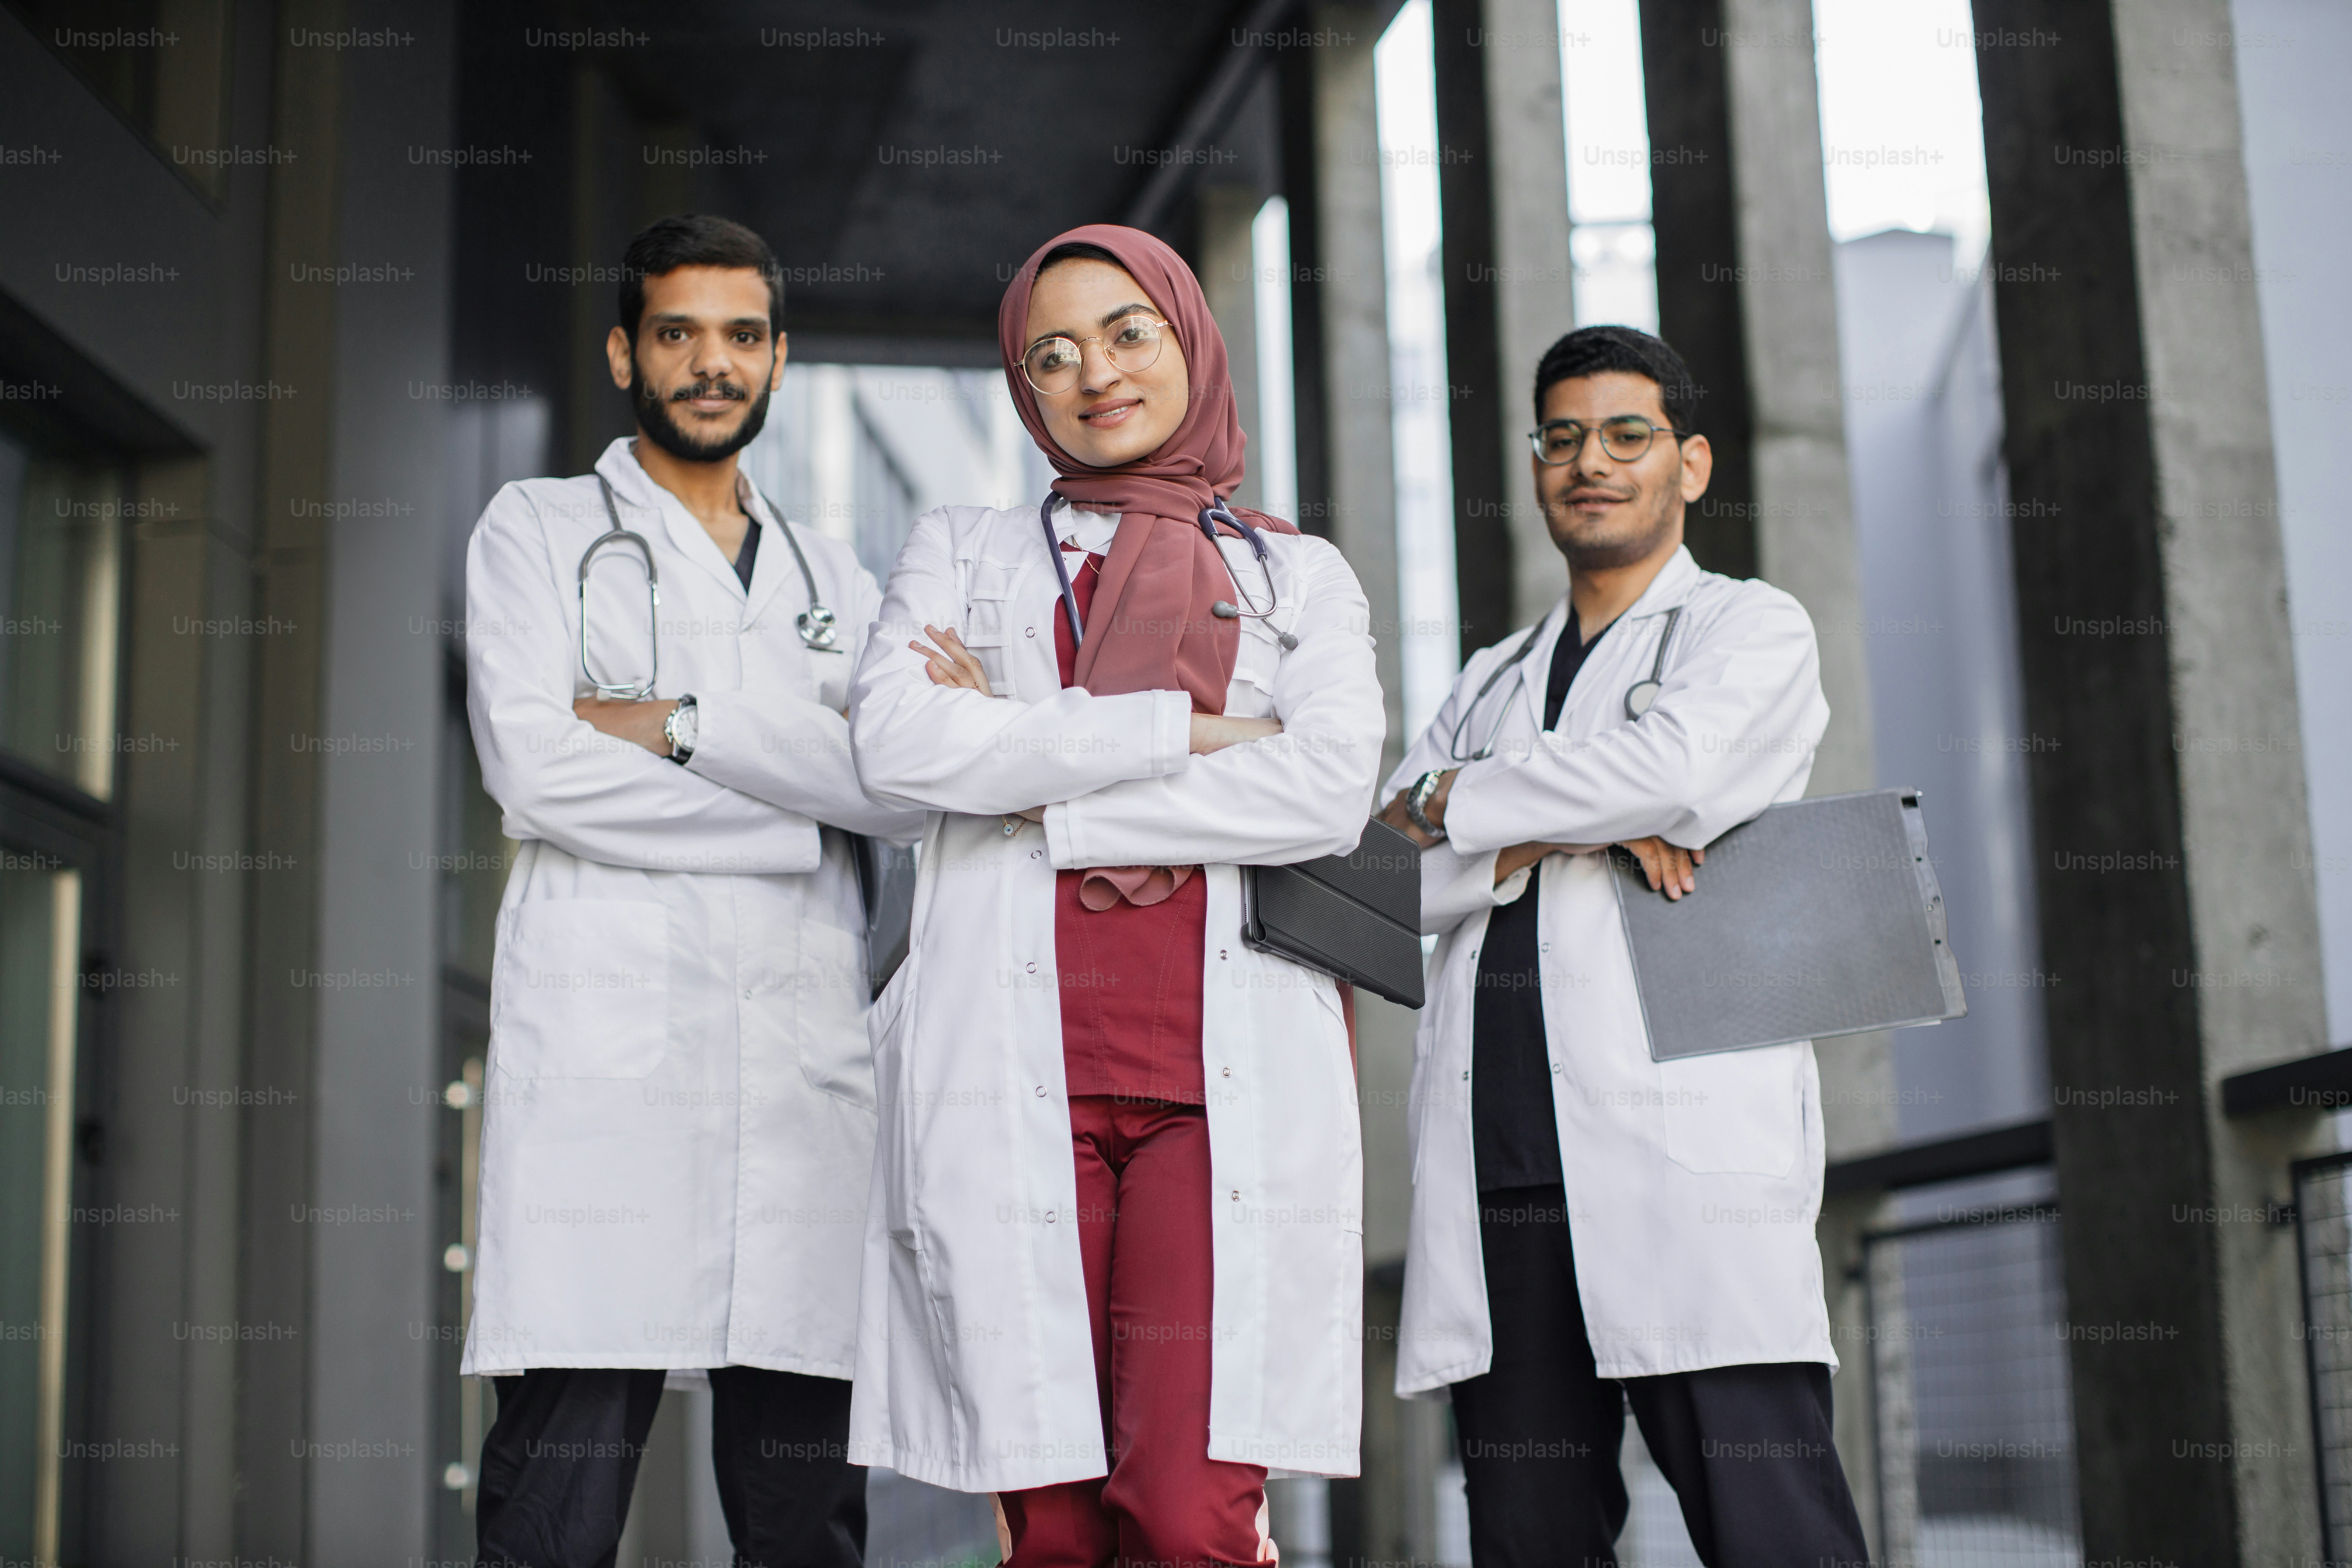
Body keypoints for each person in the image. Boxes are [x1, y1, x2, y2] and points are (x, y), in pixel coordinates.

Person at [844, 224, 1384, 1567]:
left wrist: (1031, 764)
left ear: (1189, 340)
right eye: (1055, 352)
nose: (1098, 373)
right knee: (1056, 1535)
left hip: (1220, 1091)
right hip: (1008, 1076)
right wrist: (1190, 732)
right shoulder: (962, 548)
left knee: (1190, 1516)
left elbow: (1321, 792)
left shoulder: (1294, 571)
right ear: (1025, 389)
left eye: (1129, 332)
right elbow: (901, 750)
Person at [461, 213, 920, 1567]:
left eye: (740, 336)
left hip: (799, 1103)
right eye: (677, 333)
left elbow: (897, 787)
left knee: (806, 1533)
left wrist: (672, 721)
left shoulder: (839, 577)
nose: (710, 364)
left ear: (779, 360)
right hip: (608, 1112)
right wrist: (798, 818)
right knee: (553, 1517)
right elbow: (536, 773)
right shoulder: (540, 529)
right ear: (624, 353)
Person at [1376, 325, 1872, 1567]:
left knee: (1778, 1537)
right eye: (1561, 438)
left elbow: (1680, 765)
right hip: (1504, 1189)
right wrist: (1582, 824)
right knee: (1531, 1542)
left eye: (1626, 435)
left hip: (1688, 1169)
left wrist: (1474, 803)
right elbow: (1379, 870)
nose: (1589, 462)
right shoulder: (1490, 679)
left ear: (1690, 466)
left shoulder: (1749, 630)